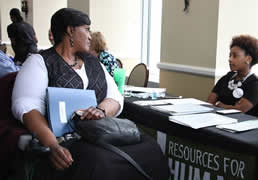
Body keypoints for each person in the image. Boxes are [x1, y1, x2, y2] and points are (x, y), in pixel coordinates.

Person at [11, 8, 168, 179]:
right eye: (86, 29)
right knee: (101, 161)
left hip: (99, 134)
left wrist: (100, 110)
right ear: (70, 31)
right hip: (65, 140)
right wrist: (53, 145)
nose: (90, 36)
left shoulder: (94, 63)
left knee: (150, 148)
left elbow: (115, 97)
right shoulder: (40, 62)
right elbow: (27, 107)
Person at [207, 35, 258, 116]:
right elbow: (209, 103)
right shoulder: (227, 77)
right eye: (229, 55)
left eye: (235, 56)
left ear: (248, 59)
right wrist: (229, 107)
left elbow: (240, 110)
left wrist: (221, 105)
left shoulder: (256, 84)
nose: (230, 59)